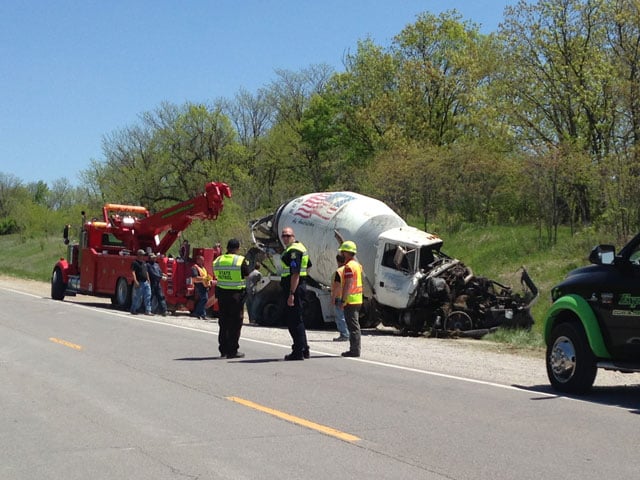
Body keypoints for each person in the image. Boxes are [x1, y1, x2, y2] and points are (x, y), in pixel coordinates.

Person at [212, 239, 250, 359]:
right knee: (235, 323)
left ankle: (223, 350)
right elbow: (246, 275)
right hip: (236, 296)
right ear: (237, 248)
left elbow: (217, 275)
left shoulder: (218, 260)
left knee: (223, 323)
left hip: (222, 295)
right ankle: (232, 350)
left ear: (227, 247)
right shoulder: (240, 260)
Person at [280, 227, 312, 361]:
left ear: (293, 236)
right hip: (299, 286)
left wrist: (292, 293)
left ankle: (298, 351)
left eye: (288, 235)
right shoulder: (300, 247)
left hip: (294, 287)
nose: (285, 238)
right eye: (283, 236)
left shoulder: (294, 251)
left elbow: (295, 273)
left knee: (293, 321)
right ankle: (304, 348)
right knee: (297, 319)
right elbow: (308, 266)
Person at [337, 241, 363, 357]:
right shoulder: (357, 265)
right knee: (354, 326)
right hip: (357, 300)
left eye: (343, 251)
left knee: (353, 327)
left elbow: (348, 284)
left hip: (351, 300)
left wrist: (343, 300)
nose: (341, 253)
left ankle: (354, 350)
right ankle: (354, 349)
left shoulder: (348, 267)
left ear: (347, 253)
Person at [330, 253, 349, 341]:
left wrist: (333, 298)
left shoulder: (339, 271)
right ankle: (347, 334)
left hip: (339, 296)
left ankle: (344, 334)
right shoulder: (348, 269)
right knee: (346, 317)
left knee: (340, 317)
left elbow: (337, 286)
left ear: (337, 261)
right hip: (347, 296)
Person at [130, 249, 153, 315]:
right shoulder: (135, 263)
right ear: (139, 255)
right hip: (139, 282)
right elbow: (133, 272)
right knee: (137, 297)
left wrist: (148, 280)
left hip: (146, 282)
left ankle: (148, 310)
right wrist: (135, 281)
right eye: (142, 255)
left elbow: (146, 272)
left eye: (143, 255)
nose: (143, 256)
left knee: (148, 296)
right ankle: (133, 309)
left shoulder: (144, 263)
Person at [191, 254, 211, 320]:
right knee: (204, 299)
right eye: (201, 260)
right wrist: (204, 278)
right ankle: (199, 313)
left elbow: (205, 276)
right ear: (198, 260)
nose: (203, 261)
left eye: (203, 260)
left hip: (205, 285)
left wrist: (208, 278)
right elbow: (195, 277)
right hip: (199, 286)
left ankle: (201, 314)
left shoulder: (203, 268)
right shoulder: (194, 267)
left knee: (204, 299)